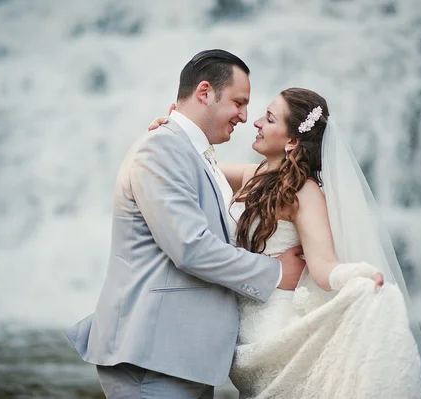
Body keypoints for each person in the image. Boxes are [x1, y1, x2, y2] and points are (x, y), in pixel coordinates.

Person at [149, 88, 421, 398]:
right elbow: (197, 166)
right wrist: (174, 133)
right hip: (242, 327)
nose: (255, 122)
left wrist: (358, 275)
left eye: (269, 119)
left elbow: (323, 266)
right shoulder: (253, 175)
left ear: (292, 141)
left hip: (274, 330)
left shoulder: (304, 192)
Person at [65, 49, 307, 399]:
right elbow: (190, 247)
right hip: (152, 357)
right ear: (205, 92)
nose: (244, 116)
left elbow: (270, 180)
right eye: (239, 102)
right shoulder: (162, 149)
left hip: (181, 354)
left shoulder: (191, 152)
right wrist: (272, 272)